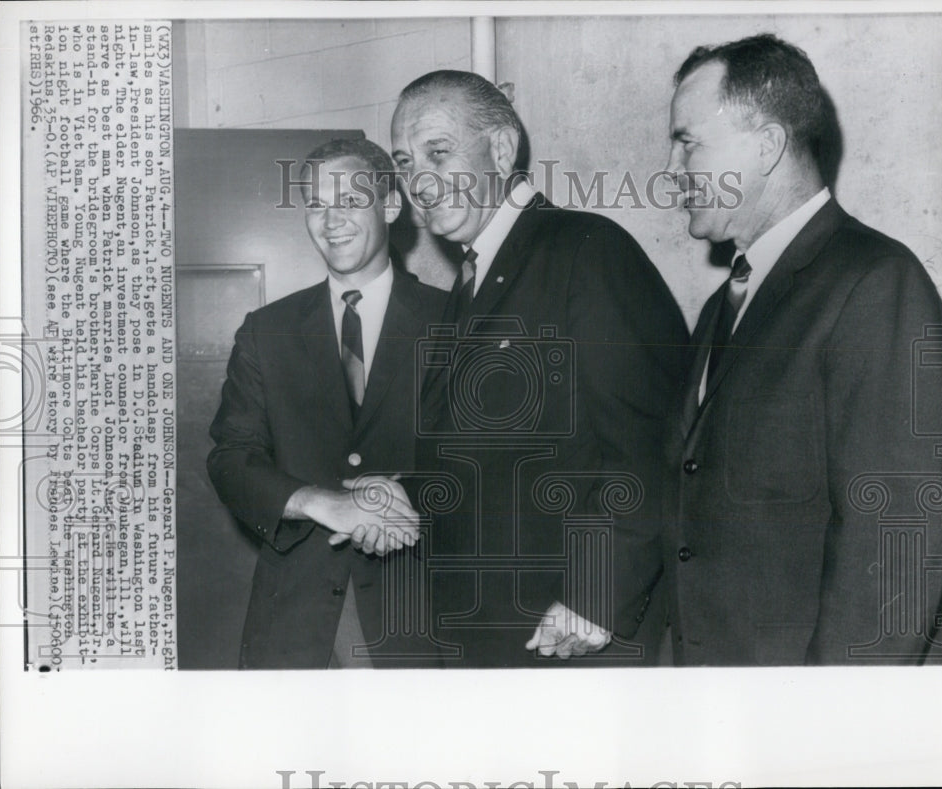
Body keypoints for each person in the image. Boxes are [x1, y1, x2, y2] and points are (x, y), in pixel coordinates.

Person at [649, 34, 942, 665]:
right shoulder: (722, 307)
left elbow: (895, 546)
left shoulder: (875, 282)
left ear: (767, 146)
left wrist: (828, 731)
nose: (672, 170)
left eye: (689, 142)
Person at [390, 70, 690, 666]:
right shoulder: (471, 280)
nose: (418, 181)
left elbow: (653, 445)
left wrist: (596, 597)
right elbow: (482, 461)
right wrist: (394, 494)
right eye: (403, 162)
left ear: (501, 149)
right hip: (489, 627)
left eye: (438, 152)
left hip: (568, 635)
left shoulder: (585, 249)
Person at [207, 138, 447, 668]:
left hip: (421, 614)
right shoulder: (267, 331)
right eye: (316, 204)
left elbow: (488, 463)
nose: (331, 219)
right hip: (292, 622)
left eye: (350, 200)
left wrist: (403, 503)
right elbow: (231, 459)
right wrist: (319, 501)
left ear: (390, 206)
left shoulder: (453, 323)